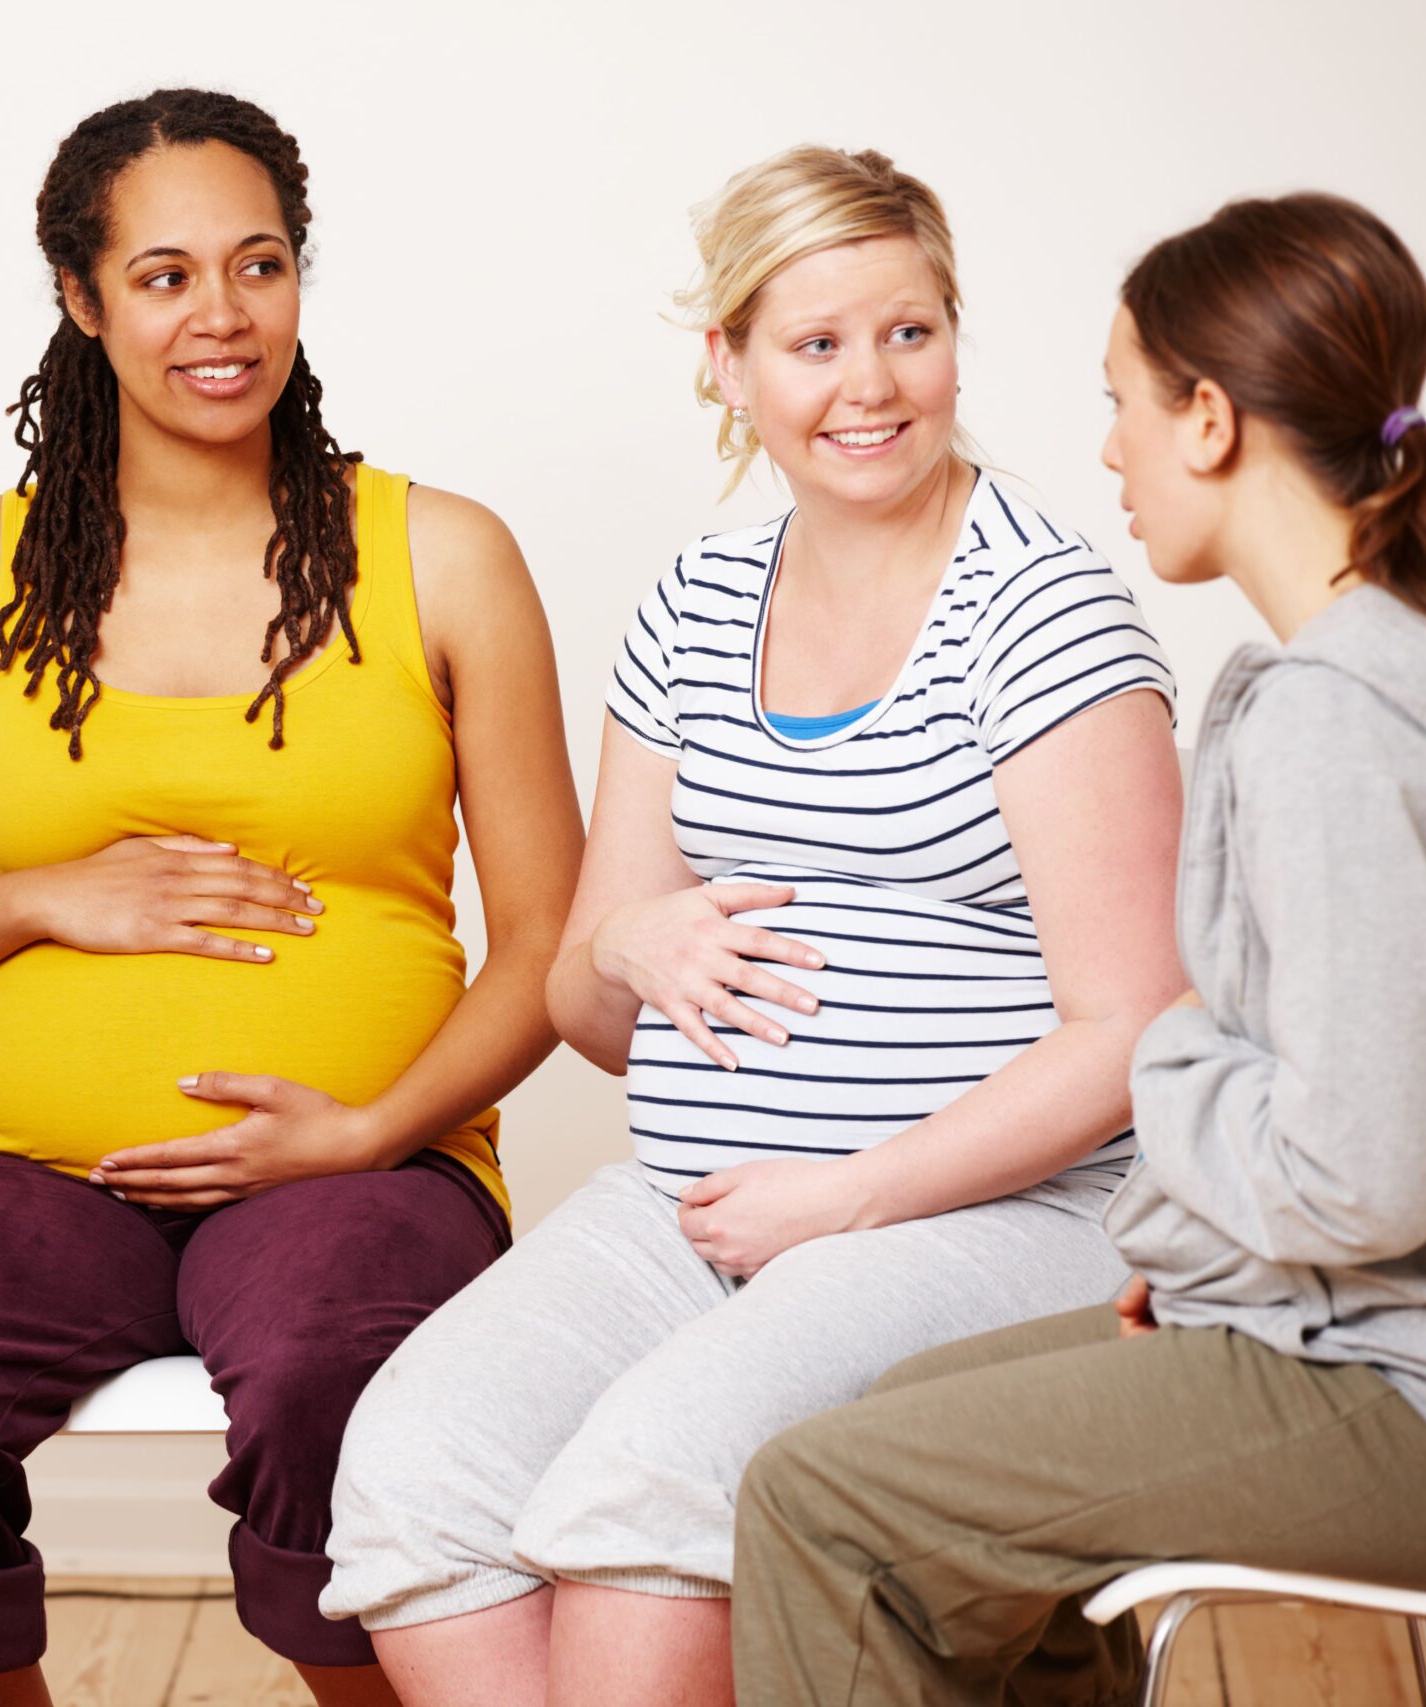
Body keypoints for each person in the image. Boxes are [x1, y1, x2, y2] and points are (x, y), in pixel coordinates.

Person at [321, 145, 1188, 1707]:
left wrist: (843, 1201)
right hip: (696, 1202)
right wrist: (631, 949)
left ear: (952, 339)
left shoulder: (1043, 613)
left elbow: (1136, 1032)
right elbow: (591, 1004)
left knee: (653, 1487)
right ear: (727, 365)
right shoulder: (693, 607)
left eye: (909, 332)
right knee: (412, 1475)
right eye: (816, 343)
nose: (871, 385)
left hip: (994, 1221)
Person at [0, 88, 583, 1707]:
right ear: (82, 300)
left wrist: (368, 1129)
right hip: (38, 1176)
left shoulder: (446, 557)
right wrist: (42, 896)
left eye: (259, 265)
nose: (222, 316)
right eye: (163, 276)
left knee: (343, 1372)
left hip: (366, 1168)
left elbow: (550, 944)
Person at [734, 189, 1426, 1706]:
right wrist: (1202, 1262)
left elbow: (1363, 1171)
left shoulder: (1340, 715)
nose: (1107, 452)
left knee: (829, 1503)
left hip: (1402, 1383)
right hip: (1338, 1324)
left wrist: (1168, 1055)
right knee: (904, 1417)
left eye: (1122, 404)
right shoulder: (1347, 665)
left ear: (1207, 418)